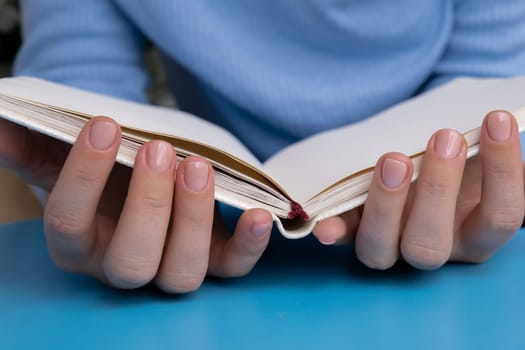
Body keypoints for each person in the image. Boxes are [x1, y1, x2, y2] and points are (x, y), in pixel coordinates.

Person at [3, 0, 525, 293]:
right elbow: (79, 80)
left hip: (437, 241)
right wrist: (101, 191)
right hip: (197, 226)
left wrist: (478, 175)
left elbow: (497, 79)